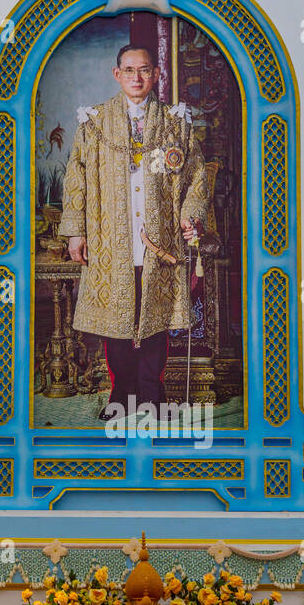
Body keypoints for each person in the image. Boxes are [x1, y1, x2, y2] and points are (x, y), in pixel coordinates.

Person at [59, 44, 208, 419]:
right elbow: (75, 180)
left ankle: (151, 397)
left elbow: (196, 177)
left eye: (144, 70)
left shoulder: (175, 123)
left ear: (156, 74)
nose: (136, 78)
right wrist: (76, 231)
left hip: (161, 242)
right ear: (117, 74)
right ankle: (120, 395)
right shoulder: (94, 122)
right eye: (129, 70)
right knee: (118, 322)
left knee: (156, 320)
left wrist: (190, 215)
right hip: (111, 239)